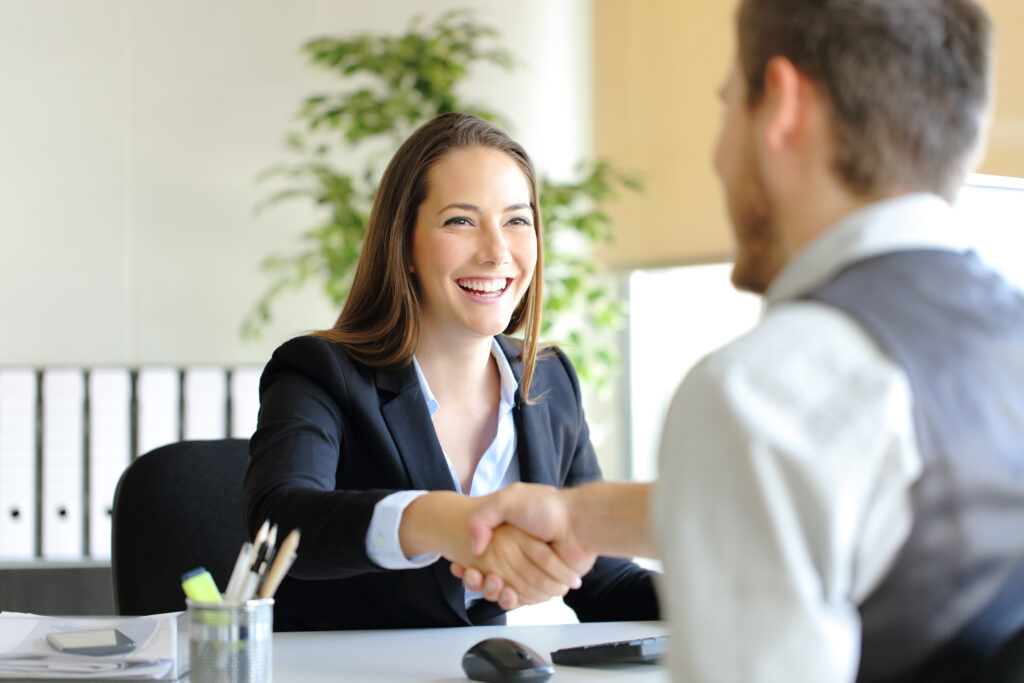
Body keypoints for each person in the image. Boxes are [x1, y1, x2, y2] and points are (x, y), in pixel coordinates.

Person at [456, 0, 1024, 680]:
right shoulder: (999, 340)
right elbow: (861, 507)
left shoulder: (761, 391)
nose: (718, 156)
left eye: (729, 108)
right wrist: (585, 515)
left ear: (781, 107)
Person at [243, 112, 659, 631]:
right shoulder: (319, 373)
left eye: (517, 220)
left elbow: (607, 583)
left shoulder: (548, 381)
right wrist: (445, 522)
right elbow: (281, 524)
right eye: (460, 221)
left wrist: (731, 590)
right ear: (406, 246)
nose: (497, 251)